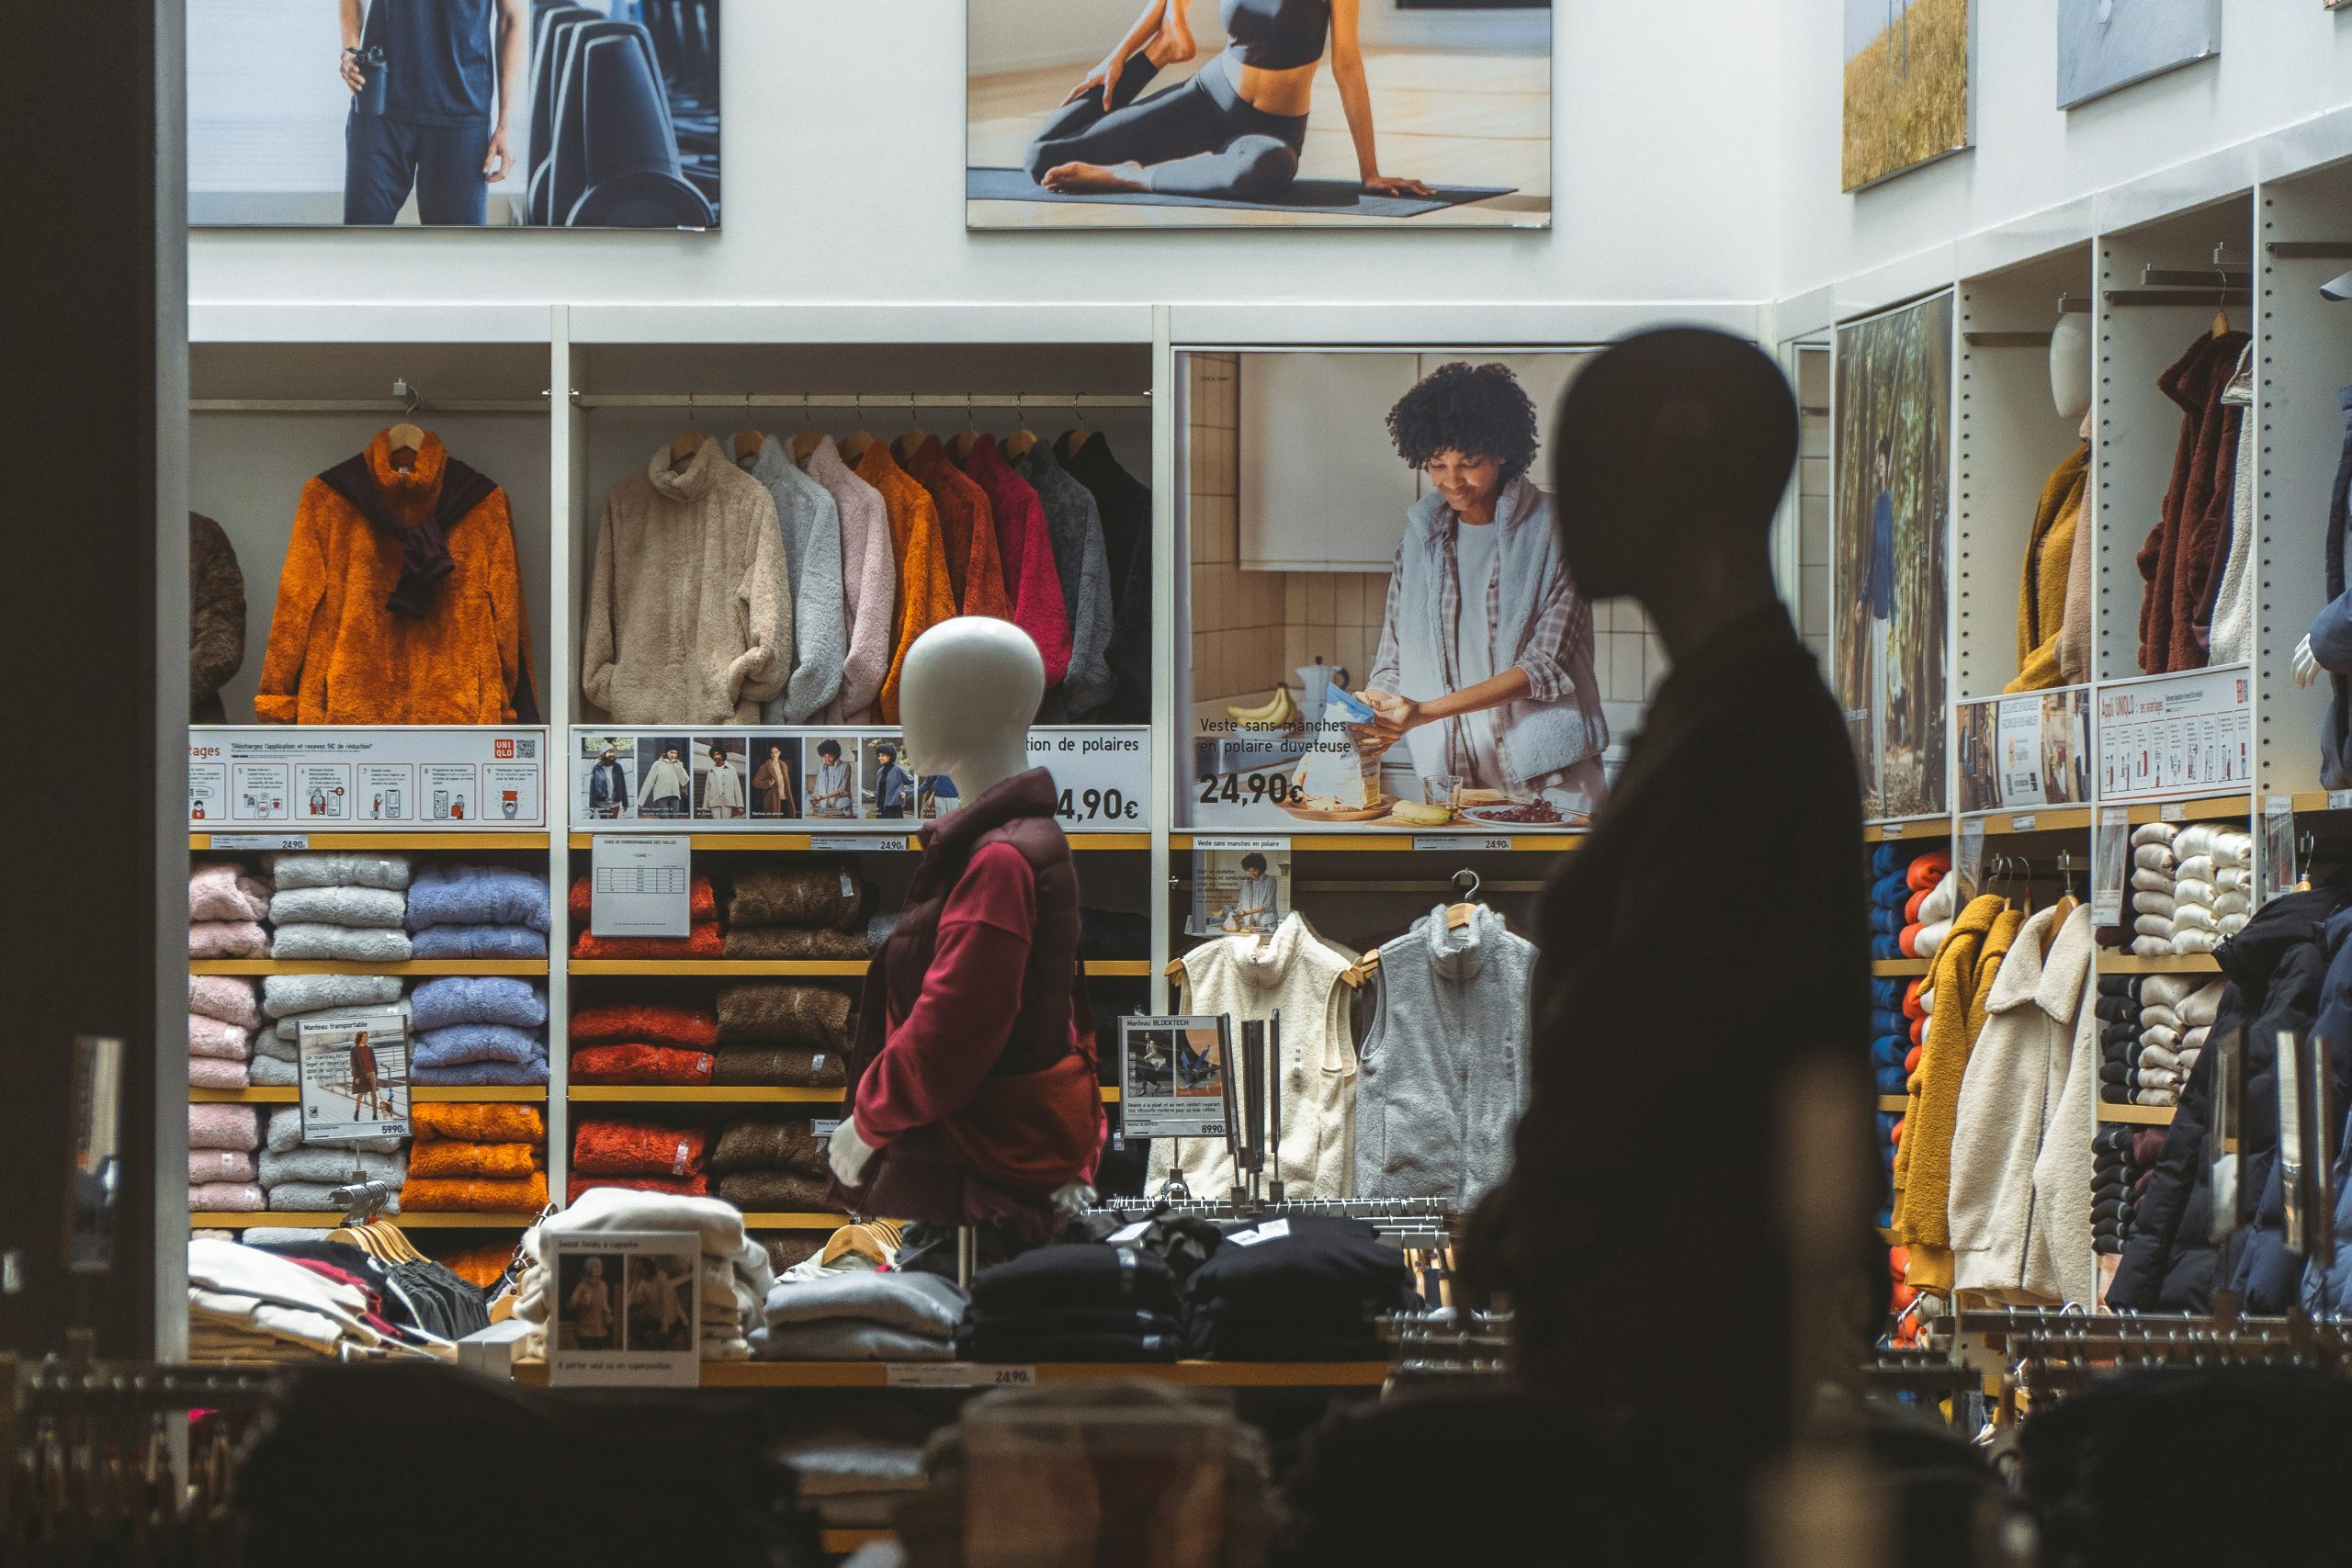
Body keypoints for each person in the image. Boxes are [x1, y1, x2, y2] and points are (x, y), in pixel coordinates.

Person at [1459, 329, 1879, 1560]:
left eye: (1584, 459)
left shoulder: (1749, 736)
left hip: (1682, 1364)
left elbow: (1656, 1035)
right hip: (1670, 1341)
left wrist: (1529, 1208)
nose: (1563, 496)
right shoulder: (1728, 714)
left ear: (1674, 470)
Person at [1354, 363, 1611, 818]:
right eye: (1437, 465)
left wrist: (1425, 711)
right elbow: (1392, 659)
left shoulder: (1560, 531)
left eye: (1469, 464)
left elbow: (1542, 667)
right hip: (1451, 783)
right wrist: (1374, 704)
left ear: (1502, 455)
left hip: (1553, 783)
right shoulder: (1417, 540)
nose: (1452, 480)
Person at [1023, 0, 1432, 206]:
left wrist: (1370, 171)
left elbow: (1347, 64)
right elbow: (1166, 3)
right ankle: (1164, 50)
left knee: (1266, 168)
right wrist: (1119, 58)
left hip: (1272, 128)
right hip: (1207, 98)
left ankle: (1125, 177)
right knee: (1041, 159)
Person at [338, 0, 529, 226]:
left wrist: (504, 122)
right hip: (380, 104)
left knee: (455, 254)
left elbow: (511, 19)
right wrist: (351, 49)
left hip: (461, 113)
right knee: (360, 248)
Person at [1860, 434, 1896, 808]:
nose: (1879, 467)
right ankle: (1881, 789)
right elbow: (1874, 557)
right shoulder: (1877, 506)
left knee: (1889, 700)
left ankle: (1886, 790)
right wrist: (1862, 597)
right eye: (1876, 463)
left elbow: (1898, 561)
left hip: (1896, 613)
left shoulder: (1896, 507)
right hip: (1879, 610)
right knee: (1876, 698)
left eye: (1882, 461)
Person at [566, 1258, 613, 1350]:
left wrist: (608, 1314)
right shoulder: (582, 1286)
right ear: (588, 1268)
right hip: (584, 1332)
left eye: (600, 1266)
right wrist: (580, 1301)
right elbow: (570, 1306)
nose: (599, 1268)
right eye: (595, 1266)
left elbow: (604, 1305)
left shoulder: (603, 1286)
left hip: (600, 1331)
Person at [637, 745, 690, 818]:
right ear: (666, 752)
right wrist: (640, 801)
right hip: (661, 797)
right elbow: (648, 782)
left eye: (675, 753)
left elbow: (684, 780)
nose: (673, 755)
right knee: (665, 820)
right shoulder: (657, 764)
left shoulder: (677, 764)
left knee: (674, 821)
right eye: (671, 752)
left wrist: (678, 765)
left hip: (675, 796)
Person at [1230, 852, 1278, 931]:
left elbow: (1266, 905)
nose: (1252, 873)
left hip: (1267, 926)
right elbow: (1241, 904)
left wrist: (1246, 913)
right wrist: (1235, 914)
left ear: (1261, 869)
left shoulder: (1270, 881)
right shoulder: (1246, 883)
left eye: (1255, 870)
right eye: (1249, 870)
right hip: (1250, 926)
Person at [809, 739, 854, 818]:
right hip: (825, 808)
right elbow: (817, 787)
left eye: (830, 756)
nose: (827, 759)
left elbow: (842, 790)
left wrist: (822, 797)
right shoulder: (821, 767)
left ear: (836, 754)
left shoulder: (845, 766)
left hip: (841, 808)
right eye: (824, 757)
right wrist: (814, 799)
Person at [700, 744, 745, 819]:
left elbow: (737, 787)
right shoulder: (710, 771)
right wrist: (704, 808)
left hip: (727, 801)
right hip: (714, 801)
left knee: (725, 823)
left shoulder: (731, 769)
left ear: (722, 755)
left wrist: (740, 805)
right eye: (714, 755)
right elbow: (707, 790)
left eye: (717, 754)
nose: (715, 756)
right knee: (716, 824)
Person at [872, 744, 915, 820]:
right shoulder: (880, 772)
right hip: (880, 807)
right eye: (879, 755)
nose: (880, 758)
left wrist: (906, 792)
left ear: (889, 756)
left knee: (895, 831)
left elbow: (914, 783)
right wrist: (873, 794)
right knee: (882, 830)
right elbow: (883, 790)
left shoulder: (899, 770)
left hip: (894, 808)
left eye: (883, 755)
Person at [753, 744, 796, 818]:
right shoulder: (765, 767)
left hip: (785, 798)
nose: (774, 754)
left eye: (776, 752)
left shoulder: (784, 766)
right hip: (772, 800)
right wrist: (768, 783)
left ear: (779, 753)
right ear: (770, 754)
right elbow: (755, 782)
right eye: (772, 752)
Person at [587, 746, 629, 818]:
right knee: (603, 823)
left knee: (612, 824)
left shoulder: (618, 767)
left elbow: (622, 785)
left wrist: (625, 803)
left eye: (613, 752)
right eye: (609, 752)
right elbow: (592, 787)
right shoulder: (597, 768)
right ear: (603, 754)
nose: (612, 754)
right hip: (601, 803)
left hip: (615, 803)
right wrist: (592, 805)